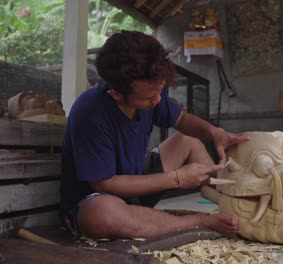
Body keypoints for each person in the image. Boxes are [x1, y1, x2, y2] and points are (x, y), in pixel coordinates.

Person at [59, 30, 248, 240]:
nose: (157, 100)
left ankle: (232, 200)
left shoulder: (150, 92)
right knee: (104, 214)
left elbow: (182, 120)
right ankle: (198, 222)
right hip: (99, 199)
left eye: (160, 92)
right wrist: (177, 179)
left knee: (188, 141)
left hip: (138, 182)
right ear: (116, 94)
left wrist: (214, 132)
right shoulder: (90, 112)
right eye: (149, 97)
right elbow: (105, 184)